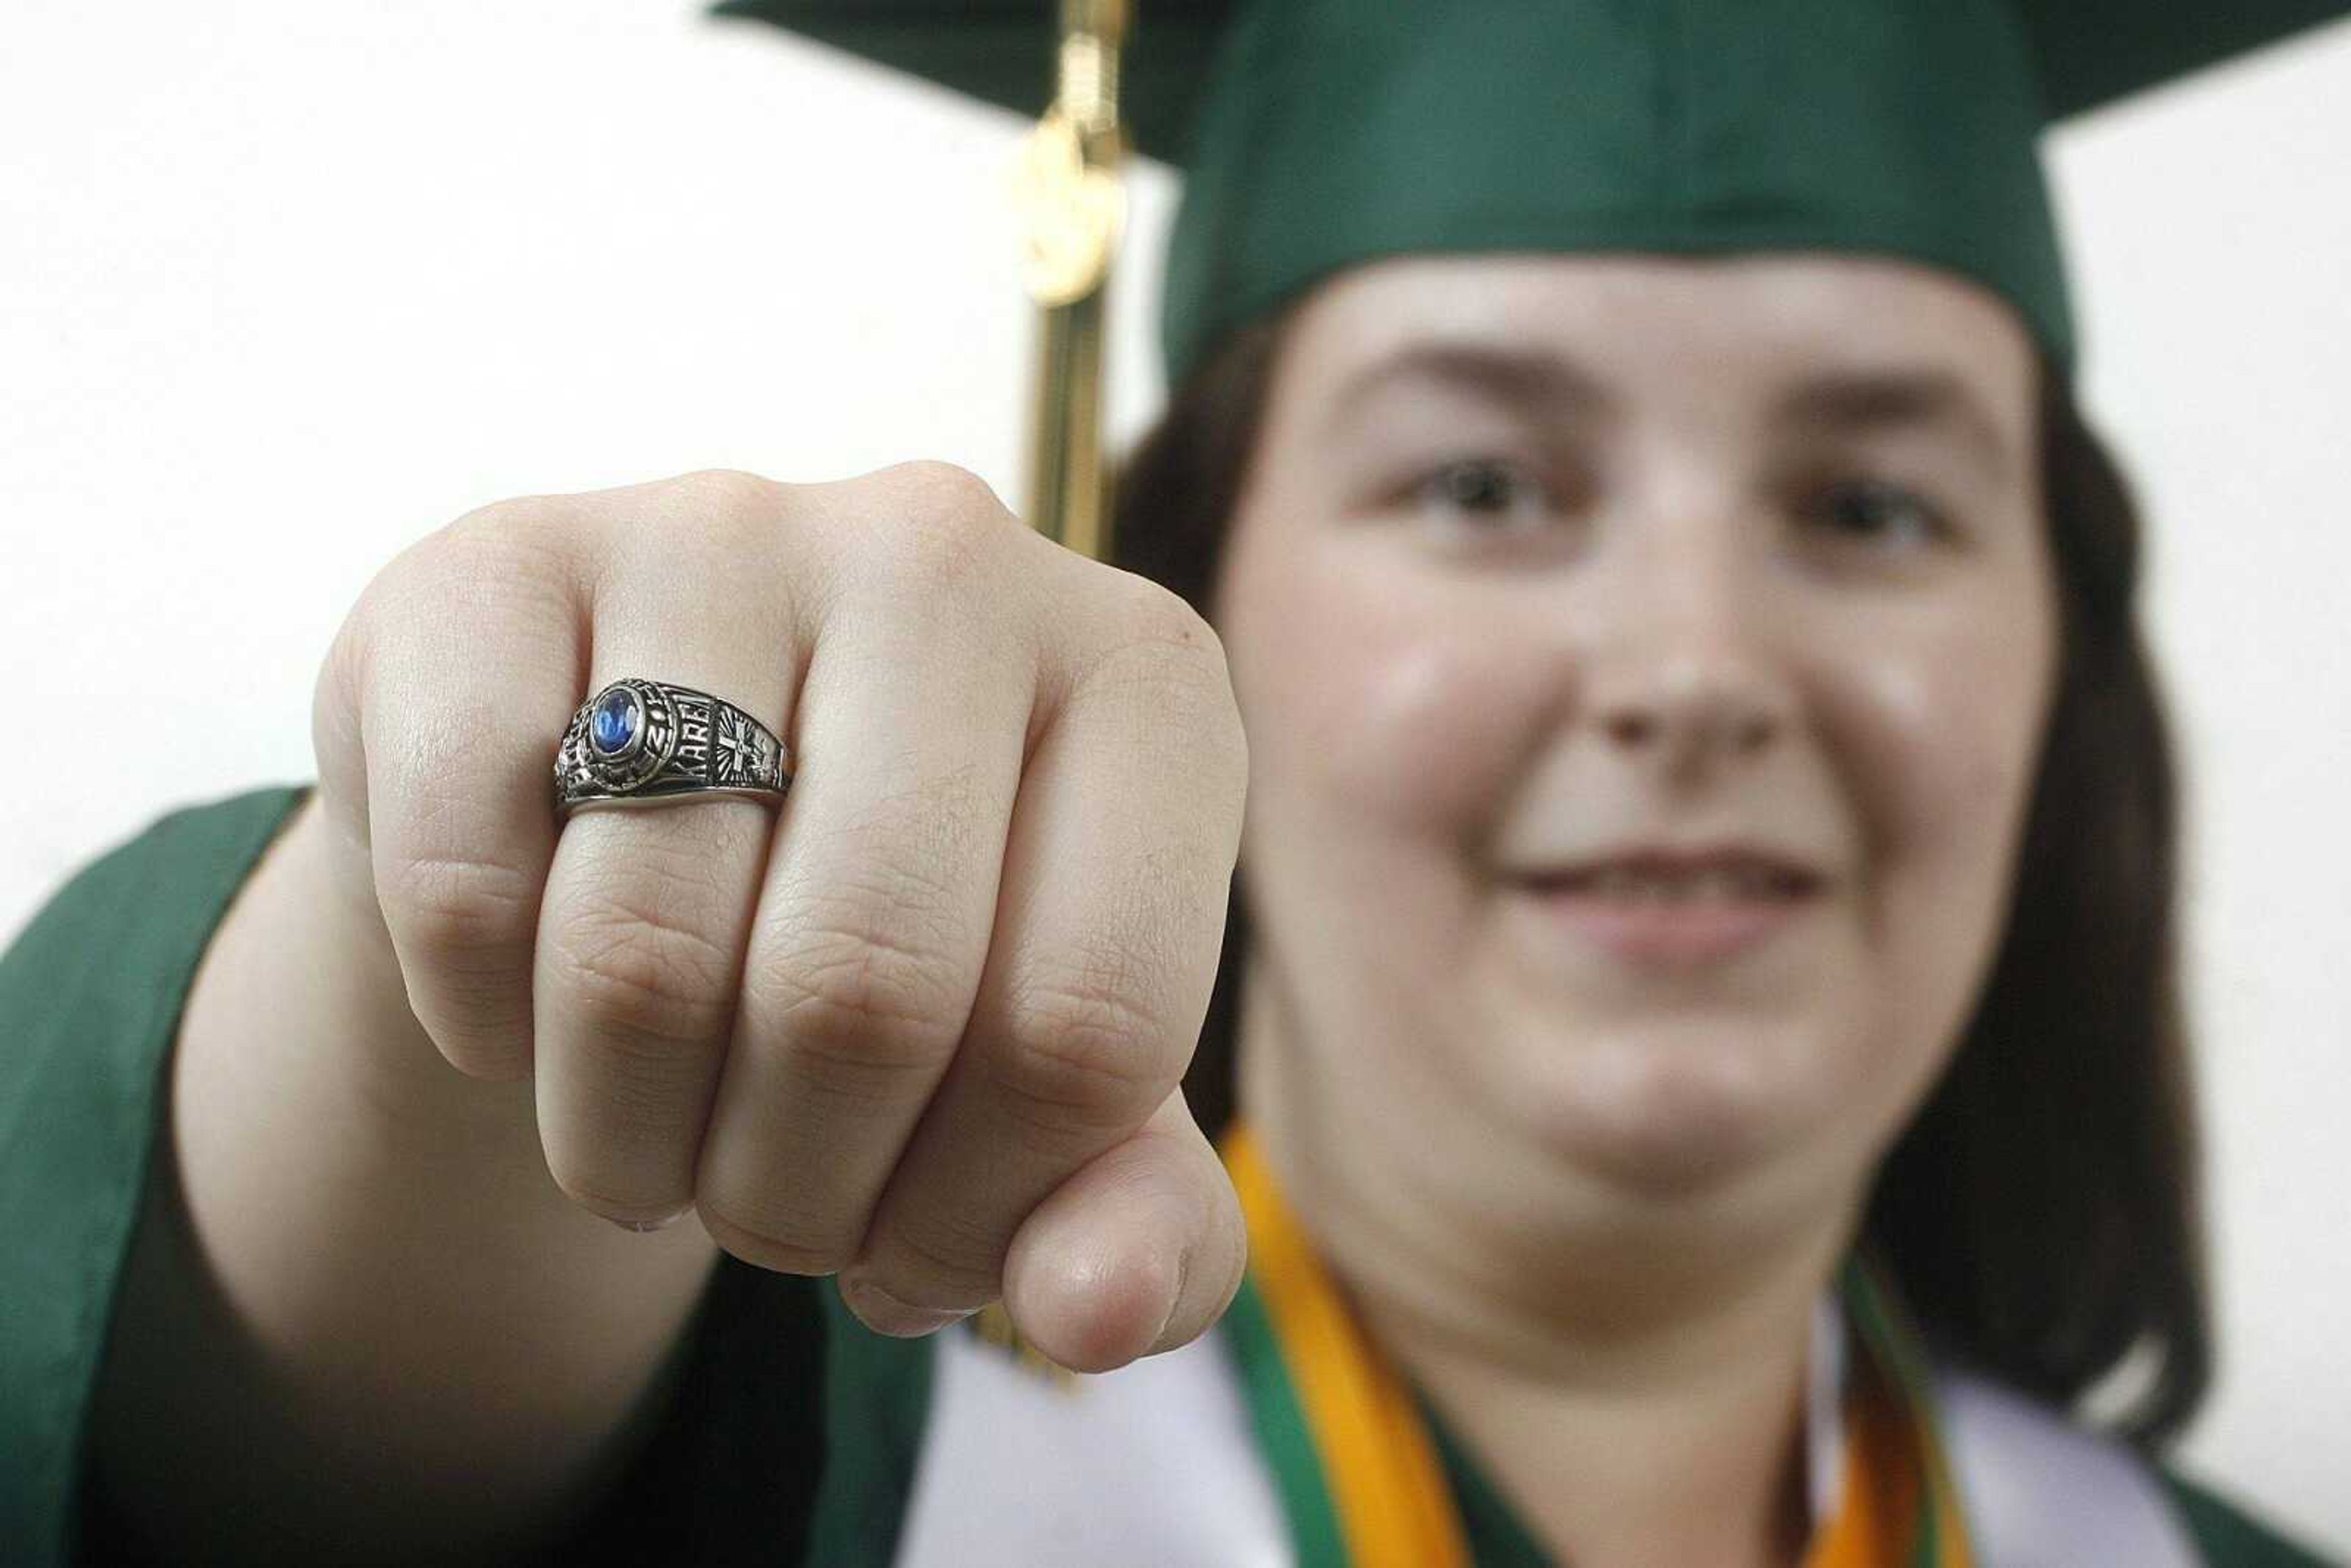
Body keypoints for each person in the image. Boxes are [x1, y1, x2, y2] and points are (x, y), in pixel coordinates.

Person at [2, 1, 2345, 1563]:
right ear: (1184, 604)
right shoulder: (837, 1464)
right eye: (1482, 484)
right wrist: (482, 946)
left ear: (2067, 659)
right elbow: (266, 1436)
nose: (1695, 668)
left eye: (1873, 508)